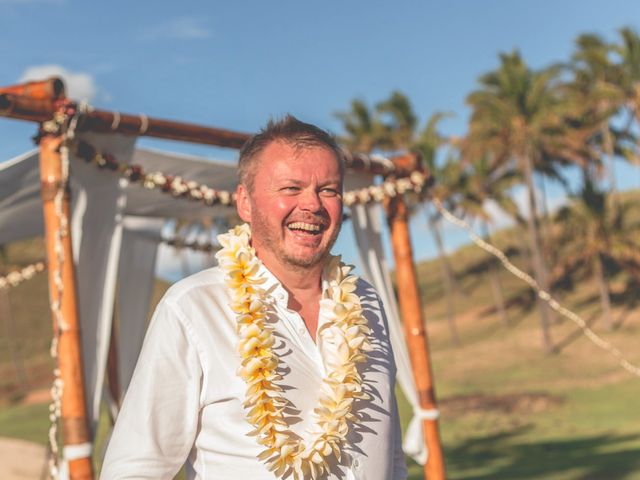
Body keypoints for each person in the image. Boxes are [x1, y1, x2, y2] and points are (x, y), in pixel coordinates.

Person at [101, 115, 407, 479]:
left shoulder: (367, 303)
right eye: (291, 188)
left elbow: (390, 453)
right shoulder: (193, 308)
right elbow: (136, 468)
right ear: (245, 202)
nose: (312, 204)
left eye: (329, 189)